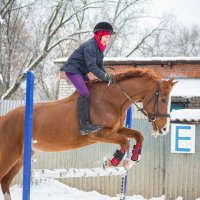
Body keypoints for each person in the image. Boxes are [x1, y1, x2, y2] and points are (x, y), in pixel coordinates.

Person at [60, 22, 115, 135]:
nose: (108, 39)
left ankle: (90, 119)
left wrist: (107, 78)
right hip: (72, 70)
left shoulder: (100, 49)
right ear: (99, 34)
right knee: (84, 93)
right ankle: (84, 125)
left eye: (109, 37)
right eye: (107, 36)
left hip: (81, 72)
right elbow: (92, 66)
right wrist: (104, 77)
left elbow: (100, 67)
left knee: (92, 91)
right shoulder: (91, 45)